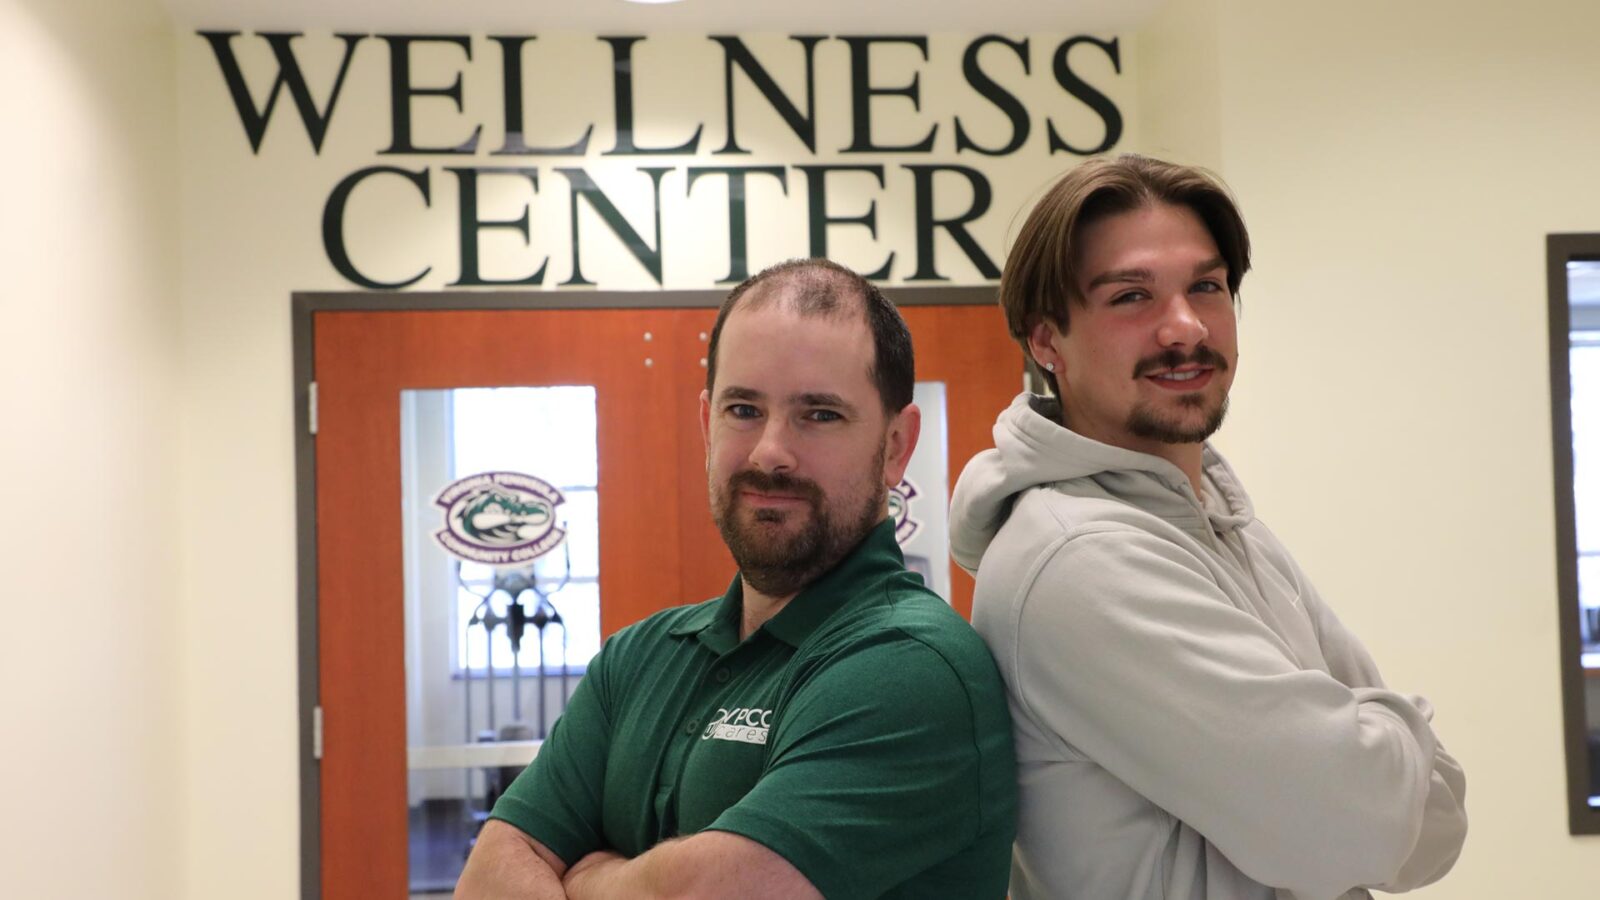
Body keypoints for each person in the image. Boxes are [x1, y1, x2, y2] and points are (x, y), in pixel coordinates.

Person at [949, 155, 1468, 900]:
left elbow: (1438, 826)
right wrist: (1387, 742)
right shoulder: (1079, 560)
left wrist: (1367, 763)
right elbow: (1367, 829)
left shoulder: (1227, 525)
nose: (1185, 327)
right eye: (1131, 296)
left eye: (1207, 287)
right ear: (1046, 342)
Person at [456, 258, 1017, 900]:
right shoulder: (637, 659)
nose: (769, 450)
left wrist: (590, 875)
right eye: (744, 409)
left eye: (820, 415)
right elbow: (489, 875)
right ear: (706, 423)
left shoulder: (915, 669)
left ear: (895, 445)